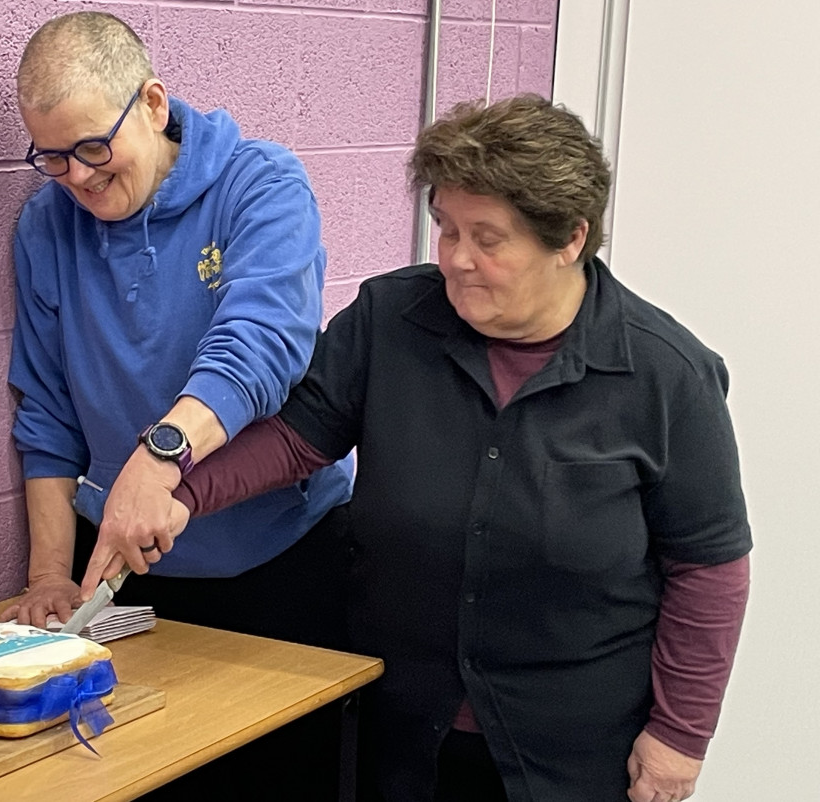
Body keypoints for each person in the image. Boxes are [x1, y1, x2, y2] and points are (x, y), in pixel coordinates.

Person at [82, 94, 753, 802]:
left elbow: (709, 568)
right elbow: (296, 438)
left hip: (572, 750)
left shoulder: (665, 375)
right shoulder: (390, 319)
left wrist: (681, 735)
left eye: (487, 239)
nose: (457, 260)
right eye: (445, 229)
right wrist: (179, 494)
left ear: (570, 240)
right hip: (403, 730)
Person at [0, 11, 353, 799]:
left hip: (284, 558)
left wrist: (160, 457)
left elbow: (261, 346)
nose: (79, 178)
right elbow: (48, 412)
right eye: (51, 157)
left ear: (153, 104)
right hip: (133, 575)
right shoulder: (45, 227)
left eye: (94, 147)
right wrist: (51, 573)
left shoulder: (261, 183)